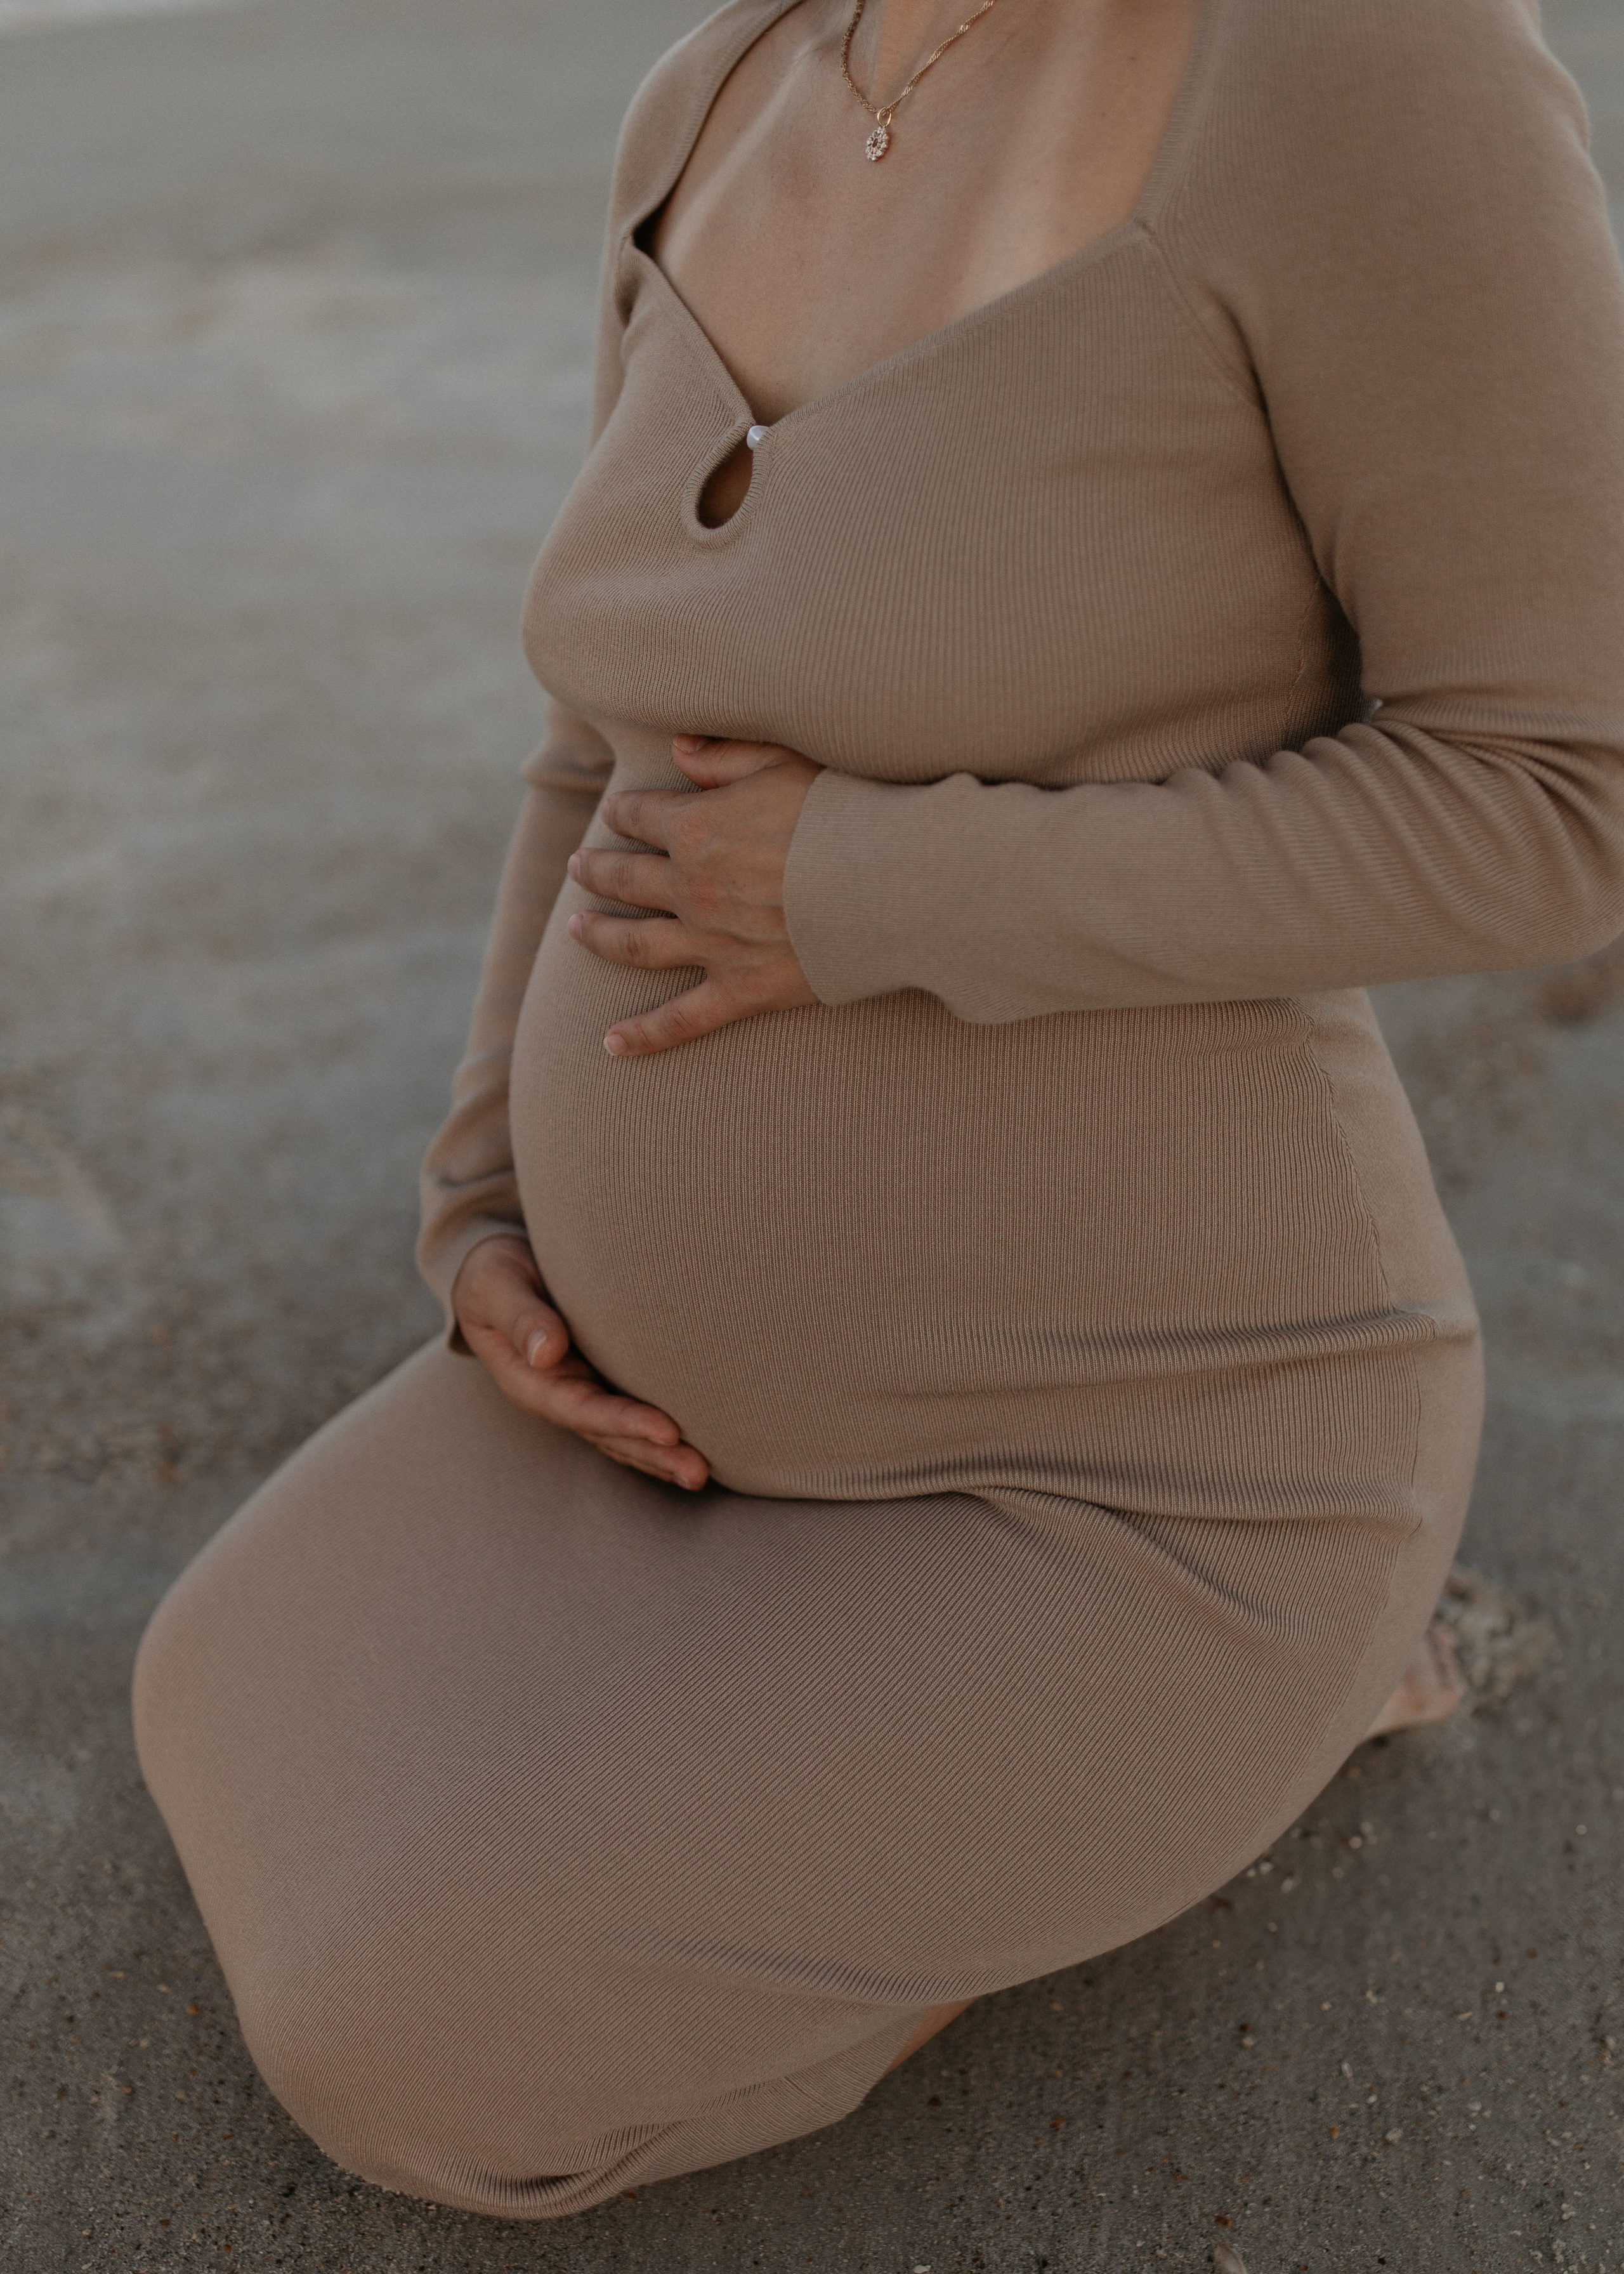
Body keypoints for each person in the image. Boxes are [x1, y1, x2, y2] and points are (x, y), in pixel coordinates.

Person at [133, 0, 1624, 2222]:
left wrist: (875, 888)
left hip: (1144, 1468)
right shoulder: (709, 93)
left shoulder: (1366, 64)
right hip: (675, 1424)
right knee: (209, 1689)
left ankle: (1268, 1723)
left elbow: (1559, 795)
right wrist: (485, 1199)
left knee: (416, 2049)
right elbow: (604, 739)